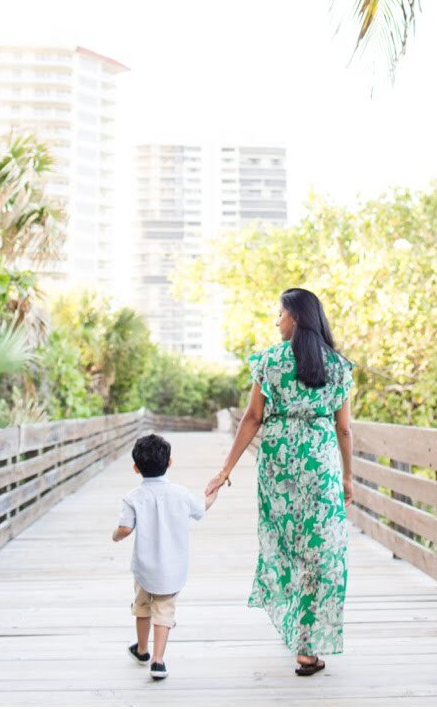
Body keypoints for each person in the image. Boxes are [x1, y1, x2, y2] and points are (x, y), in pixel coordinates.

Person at [206, 288, 356, 676]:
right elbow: (344, 429)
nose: (277, 321)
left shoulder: (270, 362)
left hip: (279, 466)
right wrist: (348, 477)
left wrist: (225, 471)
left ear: (295, 317)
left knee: (287, 545)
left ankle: (296, 629)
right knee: (323, 551)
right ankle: (307, 643)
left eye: (279, 314)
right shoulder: (338, 366)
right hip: (321, 464)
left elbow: (252, 418)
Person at [113, 432, 217, 681]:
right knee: (164, 611)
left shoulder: (132, 497)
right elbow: (202, 507)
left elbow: (125, 528)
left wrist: (116, 535)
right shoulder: (180, 494)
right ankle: (158, 661)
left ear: (136, 468)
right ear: (169, 463)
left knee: (142, 607)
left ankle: (141, 650)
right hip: (172, 570)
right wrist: (214, 490)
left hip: (144, 568)